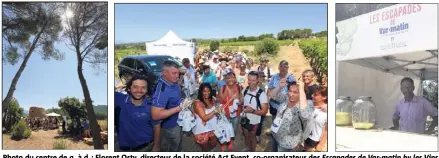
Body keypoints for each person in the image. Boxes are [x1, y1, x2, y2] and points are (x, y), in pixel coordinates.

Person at [151, 61, 189, 152]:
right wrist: (180, 107)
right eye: (174, 73)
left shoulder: (172, 80)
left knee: (179, 143)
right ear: (164, 73)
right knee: (174, 146)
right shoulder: (162, 91)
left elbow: (177, 87)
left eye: (178, 73)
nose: (177, 75)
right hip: (170, 126)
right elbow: (155, 115)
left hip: (178, 120)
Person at [115, 76, 160, 151]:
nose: (139, 90)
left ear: (146, 90)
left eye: (143, 87)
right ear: (129, 88)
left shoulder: (151, 107)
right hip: (123, 148)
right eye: (135, 87)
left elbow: (157, 126)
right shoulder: (120, 99)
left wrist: (156, 146)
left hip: (146, 147)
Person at [272, 81, 311, 152]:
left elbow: (305, 115)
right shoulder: (286, 99)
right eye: (290, 91)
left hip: (288, 143)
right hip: (276, 136)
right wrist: (279, 87)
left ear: (301, 94)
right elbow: (272, 95)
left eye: (295, 92)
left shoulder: (303, 106)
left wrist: (301, 90)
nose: (291, 94)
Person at [267, 60, 296, 151]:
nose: (283, 68)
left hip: (285, 108)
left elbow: (294, 92)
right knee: (275, 127)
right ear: (279, 67)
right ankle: (275, 147)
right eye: (281, 66)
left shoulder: (291, 78)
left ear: (287, 68)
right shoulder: (274, 77)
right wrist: (271, 96)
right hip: (274, 106)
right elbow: (269, 89)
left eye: (285, 66)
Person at [241, 71, 268, 152]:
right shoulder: (245, 89)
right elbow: (241, 101)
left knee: (252, 137)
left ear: (257, 80)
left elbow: (264, 112)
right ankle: (248, 148)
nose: (251, 82)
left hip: (254, 121)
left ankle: (252, 151)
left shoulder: (261, 94)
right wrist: (239, 96)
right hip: (244, 118)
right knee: (246, 135)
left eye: (253, 80)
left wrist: (252, 110)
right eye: (249, 80)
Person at [217, 69, 243, 151]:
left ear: (235, 78)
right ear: (225, 79)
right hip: (225, 113)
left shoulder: (238, 87)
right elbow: (221, 100)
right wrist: (227, 89)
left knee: (234, 129)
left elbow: (241, 100)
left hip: (236, 112)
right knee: (225, 128)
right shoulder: (223, 88)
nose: (230, 79)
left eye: (232, 77)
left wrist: (238, 98)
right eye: (228, 78)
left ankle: (231, 141)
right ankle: (225, 142)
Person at [192, 83, 222, 151]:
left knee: (213, 145)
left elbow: (215, 113)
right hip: (201, 131)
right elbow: (204, 118)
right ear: (201, 91)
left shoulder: (212, 99)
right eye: (204, 91)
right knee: (206, 149)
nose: (207, 93)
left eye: (208, 91)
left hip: (212, 129)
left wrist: (218, 112)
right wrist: (215, 111)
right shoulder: (197, 103)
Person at [303, 86, 328, 152]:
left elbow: (326, 130)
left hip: (314, 140)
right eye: (313, 94)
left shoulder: (326, 112)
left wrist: (321, 144)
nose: (312, 96)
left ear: (324, 97)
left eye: (316, 95)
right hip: (304, 137)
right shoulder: (309, 104)